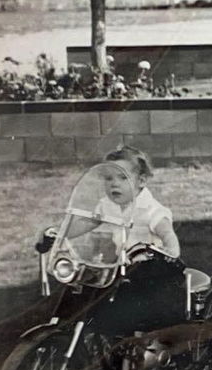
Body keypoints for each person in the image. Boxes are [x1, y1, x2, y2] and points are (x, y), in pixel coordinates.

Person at [39, 145, 187, 344]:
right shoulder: (107, 205)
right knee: (84, 288)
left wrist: (171, 249)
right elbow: (88, 223)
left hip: (150, 265)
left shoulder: (151, 209)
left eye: (122, 178)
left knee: (142, 310)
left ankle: (152, 342)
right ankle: (75, 328)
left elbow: (167, 233)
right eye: (109, 179)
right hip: (120, 265)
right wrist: (61, 233)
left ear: (141, 181)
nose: (114, 184)